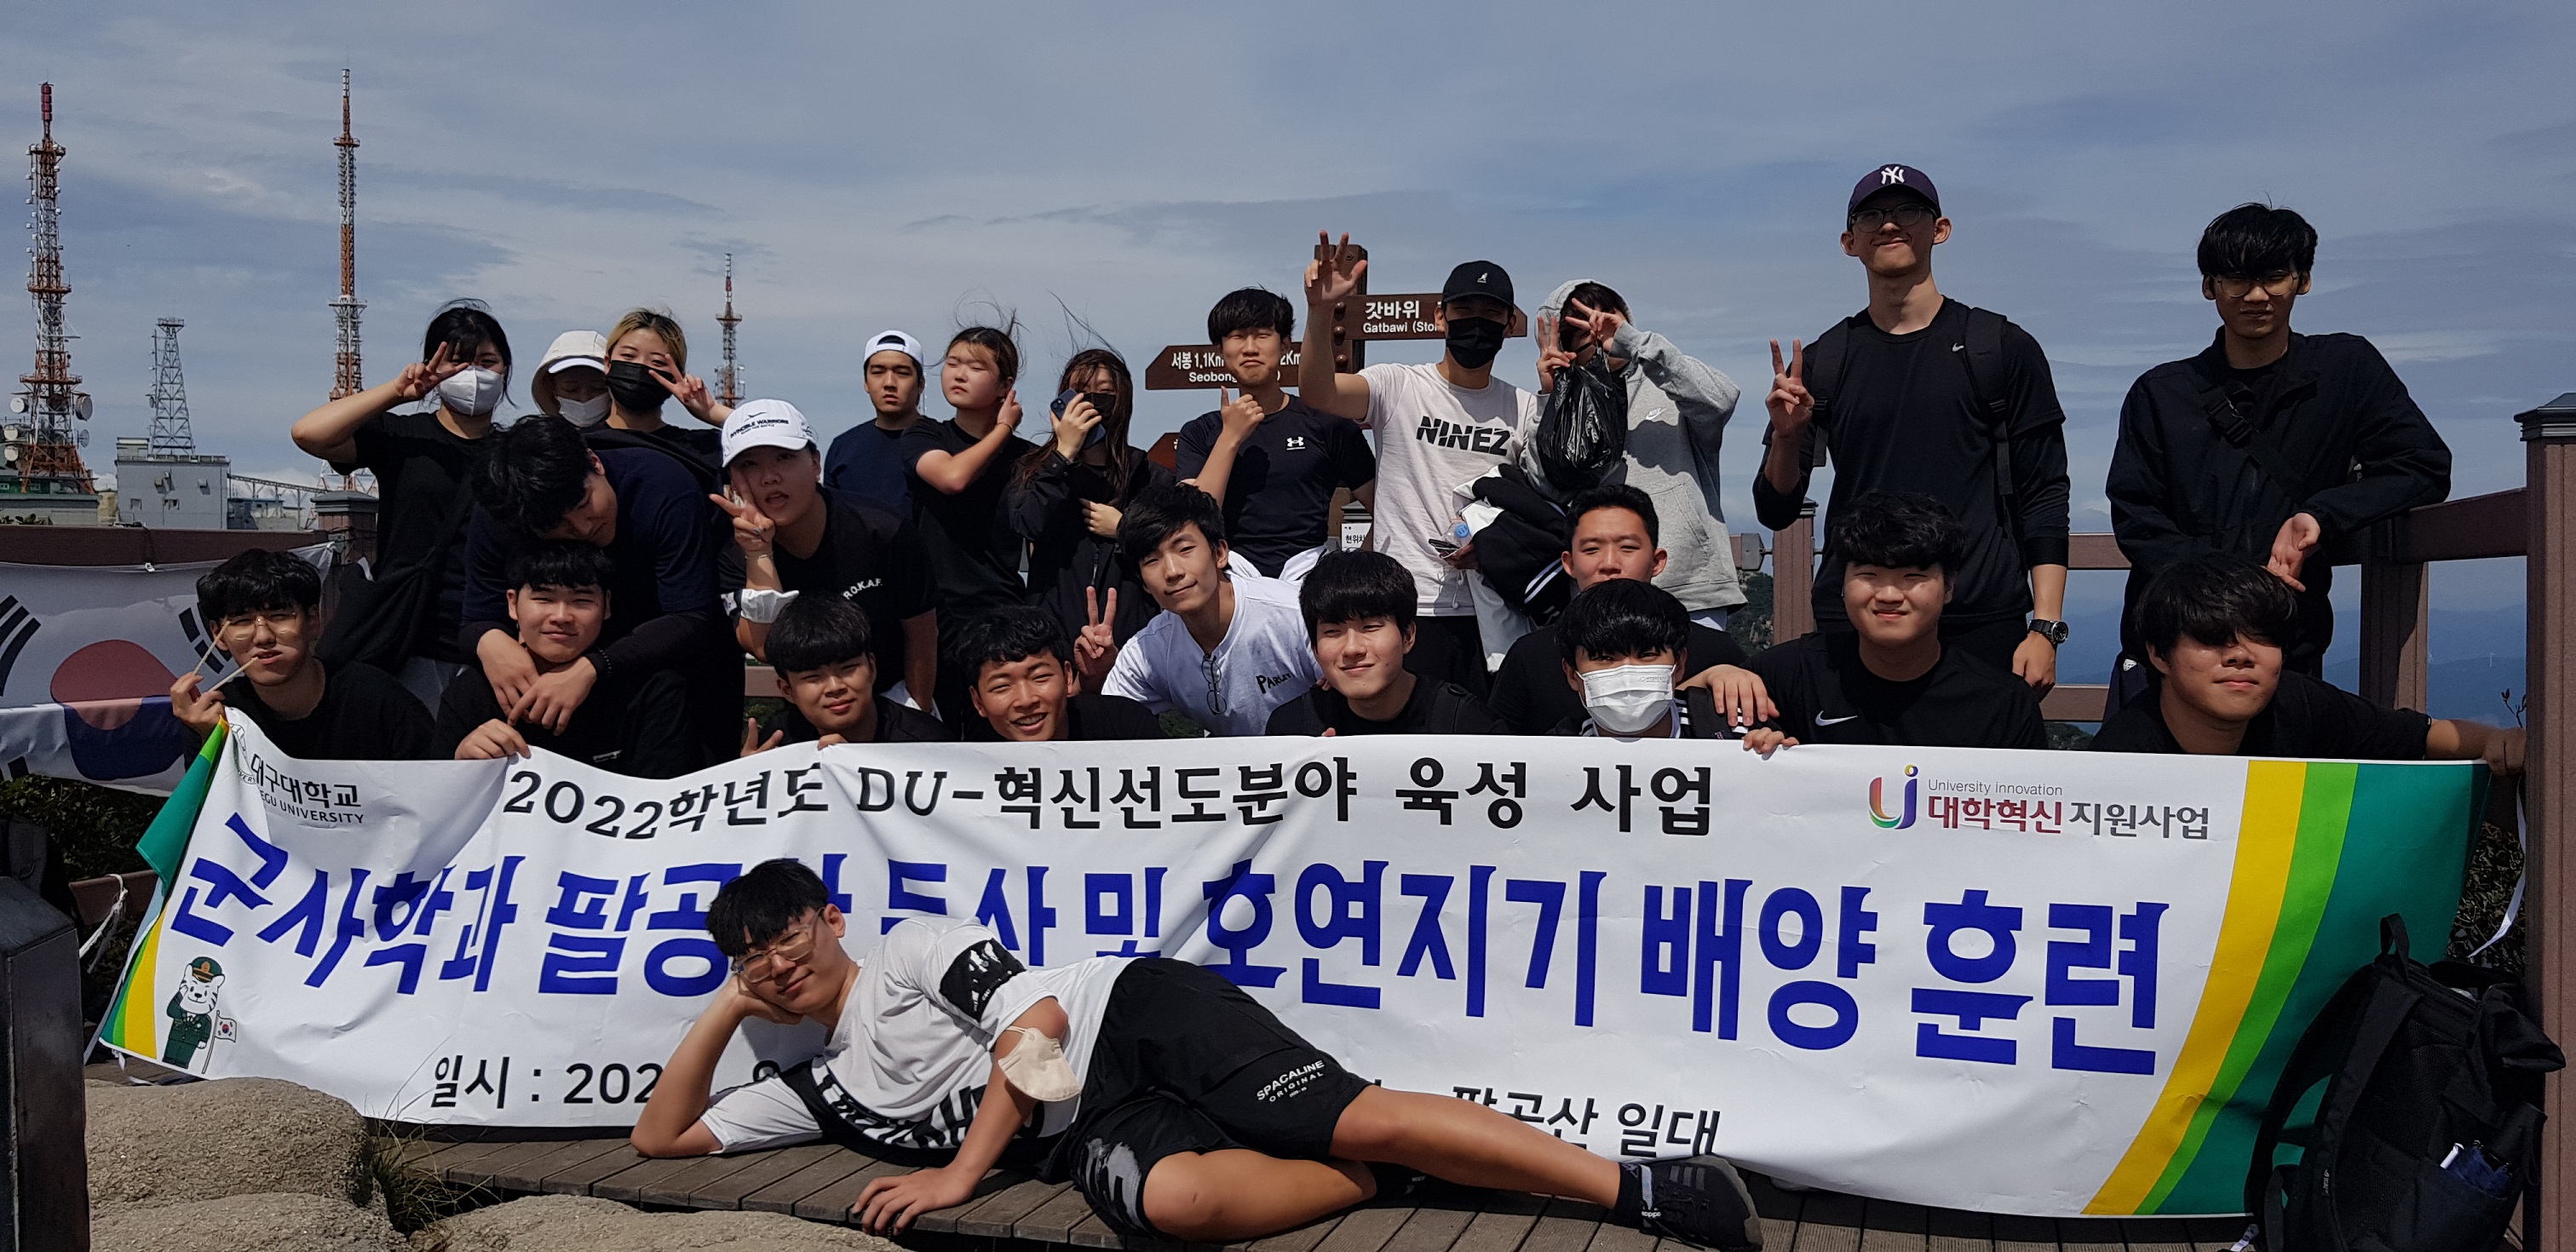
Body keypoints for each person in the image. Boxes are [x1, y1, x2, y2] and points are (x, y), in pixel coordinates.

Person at [630, 859, 1762, 1250]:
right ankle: (1381, 1182)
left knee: (1349, 1110)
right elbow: (661, 1138)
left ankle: (1635, 1189)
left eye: (782, 935)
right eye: (748, 955)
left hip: (1130, 1013)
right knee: (1168, 1205)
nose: (772, 962)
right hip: (1087, 1124)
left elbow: (1039, 1024)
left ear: (829, 918)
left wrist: (959, 1175)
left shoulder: (912, 950)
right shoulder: (822, 1087)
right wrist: (726, 1007)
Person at [1755, 164, 2073, 692]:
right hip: (1858, 616)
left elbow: (2044, 492)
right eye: (1871, 216)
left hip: (1979, 613)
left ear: (1940, 229)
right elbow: (1776, 507)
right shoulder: (1824, 362)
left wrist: (2045, 628)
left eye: (1908, 211)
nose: (1889, 224)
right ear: (1849, 242)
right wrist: (1787, 438)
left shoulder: (2000, 347)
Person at [2105, 204, 2452, 681]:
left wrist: (2321, 515)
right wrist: (2236, 582)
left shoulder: (2344, 370)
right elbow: (2137, 517)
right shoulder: (2161, 394)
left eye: (2274, 278)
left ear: (2302, 280)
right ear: (2209, 287)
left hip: (2284, 647)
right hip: (2174, 648)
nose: (2256, 296)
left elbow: (2422, 466)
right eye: (2236, 280)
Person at [1302, 239, 1540, 694]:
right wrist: (1320, 311)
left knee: (1480, 730)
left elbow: (1536, 502)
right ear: (1440, 317)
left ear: (1510, 324)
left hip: (1491, 613)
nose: (1476, 323)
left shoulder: (1524, 407)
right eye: (1464, 310)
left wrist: (1494, 546)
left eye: (1490, 313)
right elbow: (1320, 392)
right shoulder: (1398, 385)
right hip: (1404, 607)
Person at [459, 414, 732, 765]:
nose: (583, 527)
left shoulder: (663, 486)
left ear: (595, 463)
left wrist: (593, 667)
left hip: (667, 679)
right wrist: (491, 644)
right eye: (558, 526)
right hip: (542, 697)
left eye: (584, 503)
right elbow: (476, 616)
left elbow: (692, 616)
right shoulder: (504, 509)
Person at [2091, 553, 2521, 769]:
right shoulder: (2119, 759)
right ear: (2157, 654)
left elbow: (2423, 736)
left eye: (2263, 638)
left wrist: (2503, 742)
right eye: (2211, 639)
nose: (2241, 655)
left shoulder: (2300, 706)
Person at [289, 302, 511, 709]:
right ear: (432, 365)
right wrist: (398, 392)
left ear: (506, 370)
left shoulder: (517, 453)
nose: (473, 373)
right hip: (405, 638)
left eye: (487, 361)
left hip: (490, 641)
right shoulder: (403, 436)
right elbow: (309, 433)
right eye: (457, 360)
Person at [1738, 493, 2046, 753]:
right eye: (1868, 575)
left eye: (1912, 577)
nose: (1888, 595)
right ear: (1843, 584)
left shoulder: (2003, 704)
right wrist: (1720, 677)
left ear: (1949, 587)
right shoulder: (1790, 675)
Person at [1532, 280, 1745, 628]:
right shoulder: (1559, 403)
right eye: (1586, 335)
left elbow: (1721, 400)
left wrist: (1636, 343)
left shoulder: (1670, 386)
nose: (1602, 335)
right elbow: (1546, 487)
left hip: (1690, 591)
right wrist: (1553, 399)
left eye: (1609, 320)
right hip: (1600, 599)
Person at [712, 399, 939, 710]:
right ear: (732, 480)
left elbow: (922, 633)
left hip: (893, 702)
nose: (769, 477)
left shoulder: (882, 529)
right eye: (749, 465)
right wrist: (759, 552)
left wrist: (917, 714)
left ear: (816, 463)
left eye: (784, 457)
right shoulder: (734, 554)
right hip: (808, 713)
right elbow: (764, 647)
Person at [1486, 485, 1761, 736]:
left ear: (1657, 561)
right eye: (1591, 549)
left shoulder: (1716, 652)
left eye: (1627, 548)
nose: (1609, 563)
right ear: (1569, 564)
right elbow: (1499, 751)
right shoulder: (1529, 656)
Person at [434, 541, 696, 778]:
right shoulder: (470, 692)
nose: (561, 616)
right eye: (543, 599)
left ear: (606, 605)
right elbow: (432, 798)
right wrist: (461, 764)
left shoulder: (653, 693)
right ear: (513, 604)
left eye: (581, 600)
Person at [1176, 288, 1376, 577]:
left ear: (1284, 345)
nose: (1250, 348)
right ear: (1219, 349)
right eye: (1237, 336)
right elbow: (1189, 521)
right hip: (1230, 580)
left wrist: (1351, 575)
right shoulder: (1199, 432)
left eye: (1262, 335)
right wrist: (1230, 437)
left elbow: (1387, 509)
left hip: (1308, 580)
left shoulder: (1327, 424)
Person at [167, 549, 435, 761]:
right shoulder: (216, 714)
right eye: (242, 622)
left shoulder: (378, 701)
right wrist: (211, 739)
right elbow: (206, 809)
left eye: (280, 616)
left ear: (313, 621)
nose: (263, 636)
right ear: (218, 635)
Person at [1098, 485, 1320, 737]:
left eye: (1184, 549)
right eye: (1152, 560)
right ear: (1144, 583)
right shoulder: (1146, 652)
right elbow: (1110, 727)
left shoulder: (1297, 615)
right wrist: (1091, 680)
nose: (1172, 572)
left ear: (1220, 553)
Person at [904, 326, 1040, 723]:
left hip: (1002, 611)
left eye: (976, 367)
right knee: (937, 732)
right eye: (952, 363)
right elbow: (952, 477)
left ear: (1005, 386)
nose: (959, 374)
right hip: (934, 615)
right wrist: (1003, 429)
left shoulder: (1030, 458)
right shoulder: (925, 434)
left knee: (1000, 728)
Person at [1009, 348, 1171, 652]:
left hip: (1134, 641)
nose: (1092, 403)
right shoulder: (1035, 469)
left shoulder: (1151, 478)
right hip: (1054, 639)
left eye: (1105, 393)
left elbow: (1171, 554)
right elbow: (1028, 523)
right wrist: (1063, 455)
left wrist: (1126, 529)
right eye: (1081, 392)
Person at [1268, 550, 1502, 735]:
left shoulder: (1469, 726)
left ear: (1408, 636)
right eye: (1332, 632)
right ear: (1315, 649)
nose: (1352, 649)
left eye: (1370, 627)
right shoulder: (1292, 730)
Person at [742, 596, 948, 752]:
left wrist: (852, 762)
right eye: (813, 677)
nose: (835, 687)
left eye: (848, 668)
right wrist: (749, 772)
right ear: (787, 690)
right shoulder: (778, 740)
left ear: (872, 667)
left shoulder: (926, 742)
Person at [1547, 578, 1739, 740]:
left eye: (1647, 655)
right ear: (1572, 674)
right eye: (1604, 658)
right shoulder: (1548, 756)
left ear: (1679, 664)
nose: (1627, 674)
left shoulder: (1735, 734)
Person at [952, 606, 1164, 742]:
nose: (1026, 700)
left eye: (1040, 677)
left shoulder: (1124, 725)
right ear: (978, 701)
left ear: (1068, 677)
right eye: (1002, 686)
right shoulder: (966, 765)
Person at [597, 307, 733, 466]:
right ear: (608, 363)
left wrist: (713, 413)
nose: (641, 367)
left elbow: (759, 436)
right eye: (628, 355)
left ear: (677, 376)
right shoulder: (580, 446)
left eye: (658, 362)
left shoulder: (705, 448)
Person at [825, 330, 931, 516]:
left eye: (902, 373)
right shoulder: (843, 448)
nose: (889, 383)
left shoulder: (941, 441)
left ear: (921, 384)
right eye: (878, 372)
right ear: (866, 383)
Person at [530, 330, 612, 427]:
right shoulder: (535, 435)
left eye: (597, 388)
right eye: (571, 389)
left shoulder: (626, 434)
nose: (584, 398)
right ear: (551, 388)